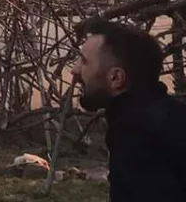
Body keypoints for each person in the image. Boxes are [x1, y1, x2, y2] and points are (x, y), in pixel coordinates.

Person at [71, 18, 186, 201]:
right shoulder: (171, 115)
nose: (74, 70)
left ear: (116, 78)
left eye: (84, 62)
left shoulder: (136, 135)